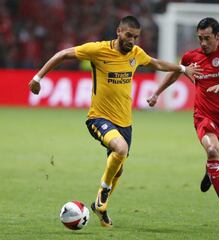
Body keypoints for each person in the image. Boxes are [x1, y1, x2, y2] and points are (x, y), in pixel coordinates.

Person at [28, 16, 201, 227]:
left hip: (125, 122)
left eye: (136, 37)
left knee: (118, 167)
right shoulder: (98, 50)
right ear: (119, 31)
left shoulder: (136, 54)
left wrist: (182, 69)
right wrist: (37, 78)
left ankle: (100, 207)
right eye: (129, 35)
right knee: (121, 149)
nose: (132, 41)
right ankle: (103, 195)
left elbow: (155, 63)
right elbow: (63, 54)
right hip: (98, 118)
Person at [147, 17, 219, 219]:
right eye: (200, 39)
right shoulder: (191, 56)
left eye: (207, 38)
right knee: (212, 149)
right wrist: (157, 93)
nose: (203, 43)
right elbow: (176, 72)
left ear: (217, 36)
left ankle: (210, 170)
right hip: (204, 115)